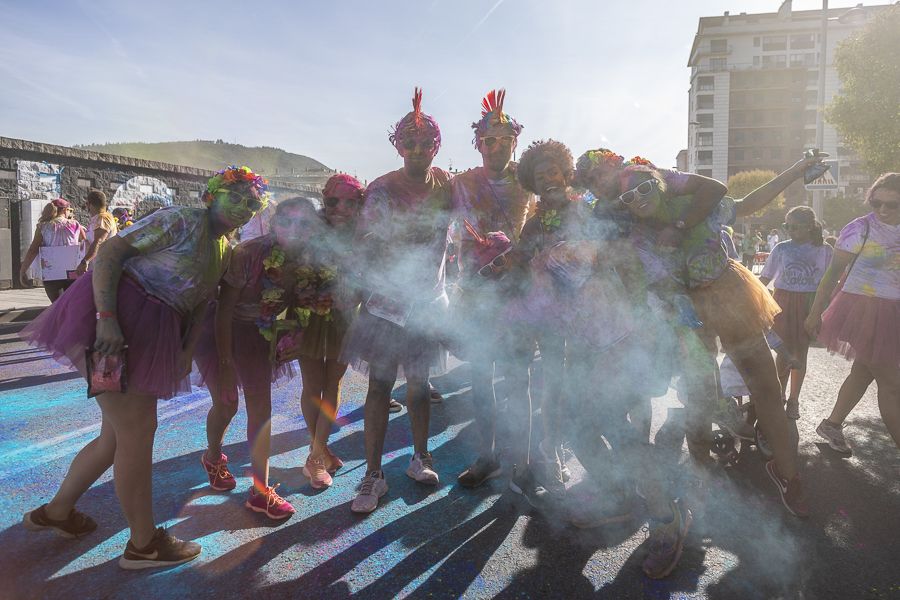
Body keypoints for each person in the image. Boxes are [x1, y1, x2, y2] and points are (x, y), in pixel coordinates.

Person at [20, 165, 265, 569]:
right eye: (235, 197)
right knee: (136, 432)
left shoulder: (224, 247)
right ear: (212, 194)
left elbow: (202, 301)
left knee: (114, 438)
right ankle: (143, 544)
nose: (243, 208)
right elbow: (112, 253)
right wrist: (106, 317)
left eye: (252, 204)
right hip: (120, 325)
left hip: (152, 334)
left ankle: (58, 511)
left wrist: (186, 349)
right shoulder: (181, 220)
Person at [577, 151, 827, 518]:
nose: (638, 198)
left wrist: (795, 169)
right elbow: (631, 284)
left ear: (659, 182)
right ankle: (701, 475)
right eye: (628, 197)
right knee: (699, 402)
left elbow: (748, 202)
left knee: (768, 392)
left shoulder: (695, 205)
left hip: (732, 300)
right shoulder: (633, 238)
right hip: (685, 319)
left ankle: (788, 476)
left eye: (645, 187)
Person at [342, 89, 453, 514]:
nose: (418, 150)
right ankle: (373, 474)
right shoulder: (382, 189)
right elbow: (365, 241)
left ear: (436, 148)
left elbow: (482, 209)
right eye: (410, 142)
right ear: (398, 145)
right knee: (380, 387)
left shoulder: (446, 185)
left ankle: (420, 457)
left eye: (426, 143)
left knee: (421, 386)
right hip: (386, 307)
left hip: (427, 304)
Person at [196, 196, 322, 519]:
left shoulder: (310, 259)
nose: (294, 230)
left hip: (259, 334)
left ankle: (260, 491)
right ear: (274, 222)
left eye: (304, 224)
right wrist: (225, 365)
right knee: (226, 404)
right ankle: (212, 457)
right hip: (220, 331)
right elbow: (223, 312)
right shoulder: (249, 253)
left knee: (260, 407)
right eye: (287, 221)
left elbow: (299, 302)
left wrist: (296, 332)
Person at [449, 89, 536, 489]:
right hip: (476, 292)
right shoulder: (461, 182)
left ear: (514, 143)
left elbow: (544, 230)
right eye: (488, 140)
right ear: (478, 143)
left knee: (518, 380)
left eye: (504, 140)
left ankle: (527, 461)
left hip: (517, 292)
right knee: (482, 378)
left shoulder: (529, 183)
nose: (495, 146)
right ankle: (488, 456)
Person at [805, 173, 900, 454]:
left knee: (863, 372)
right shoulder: (859, 229)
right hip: (863, 311)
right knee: (892, 383)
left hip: (894, 311)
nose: (882, 210)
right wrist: (814, 313)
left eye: (892, 204)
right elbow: (832, 274)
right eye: (876, 202)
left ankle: (832, 424)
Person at [296, 174, 365, 489]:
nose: (341, 208)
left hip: (344, 318)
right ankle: (318, 454)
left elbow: (372, 278)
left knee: (332, 384)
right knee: (312, 385)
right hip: (309, 316)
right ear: (324, 200)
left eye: (350, 202)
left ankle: (317, 454)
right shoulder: (307, 230)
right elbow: (289, 269)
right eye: (333, 201)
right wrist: (306, 292)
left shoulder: (364, 236)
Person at [759, 206, 832, 419]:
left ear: (810, 227)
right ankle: (778, 395)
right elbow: (765, 278)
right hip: (782, 301)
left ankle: (793, 400)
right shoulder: (781, 249)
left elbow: (828, 282)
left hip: (809, 303)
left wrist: (819, 311)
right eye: (786, 226)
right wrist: (750, 297)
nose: (790, 231)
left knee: (800, 353)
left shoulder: (824, 250)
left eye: (795, 227)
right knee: (782, 352)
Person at [19, 198, 86, 301]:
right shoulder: (75, 225)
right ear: (65, 210)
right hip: (72, 272)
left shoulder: (43, 227)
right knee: (71, 304)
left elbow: (33, 250)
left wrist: (23, 270)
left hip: (51, 273)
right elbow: (85, 244)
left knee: (57, 306)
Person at [76, 190, 119, 275]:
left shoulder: (102, 218)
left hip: (103, 268)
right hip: (96, 268)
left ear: (89, 204)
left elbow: (98, 241)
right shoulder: (97, 219)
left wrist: (85, 261)